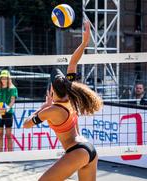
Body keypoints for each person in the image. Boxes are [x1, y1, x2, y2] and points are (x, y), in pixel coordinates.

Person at [23, 21, 103, 181]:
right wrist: (85, 43)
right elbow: (73, 62)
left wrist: (43, 107)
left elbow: (26, 124)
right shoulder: (71, 96)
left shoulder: (51, 110)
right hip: (89, 149)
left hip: (78, 151)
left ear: (52, 90)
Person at [0, 70, 18, 152]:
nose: (3, 80)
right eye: (2, 78)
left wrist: (6, 108)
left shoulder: (13, 89)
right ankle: (0, 155)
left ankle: (9, 155)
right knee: (0, 135)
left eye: (5, 78)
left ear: (8, 79)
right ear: (0, 79)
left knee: (8, 135)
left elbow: (12, 101)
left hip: (8, 114)